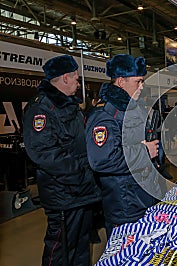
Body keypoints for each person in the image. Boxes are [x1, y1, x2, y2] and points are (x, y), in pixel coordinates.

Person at [22, 54, 101, 266]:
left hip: (81, 192)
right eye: (76, 78)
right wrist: (82, 174)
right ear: (65, 78)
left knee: (82, 244)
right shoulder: (41, 109)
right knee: (61, 248)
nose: (78, 83)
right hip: (64, 192)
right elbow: (45, 153)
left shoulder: (69, 106)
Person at [85, 54, 162, 239]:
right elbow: (102, 160)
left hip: (142, 197)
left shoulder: (131, 109)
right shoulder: (105, 115)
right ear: (121, 81)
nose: (142, 86)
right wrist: (145, 151)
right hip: (125, 204)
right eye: (138, 81)